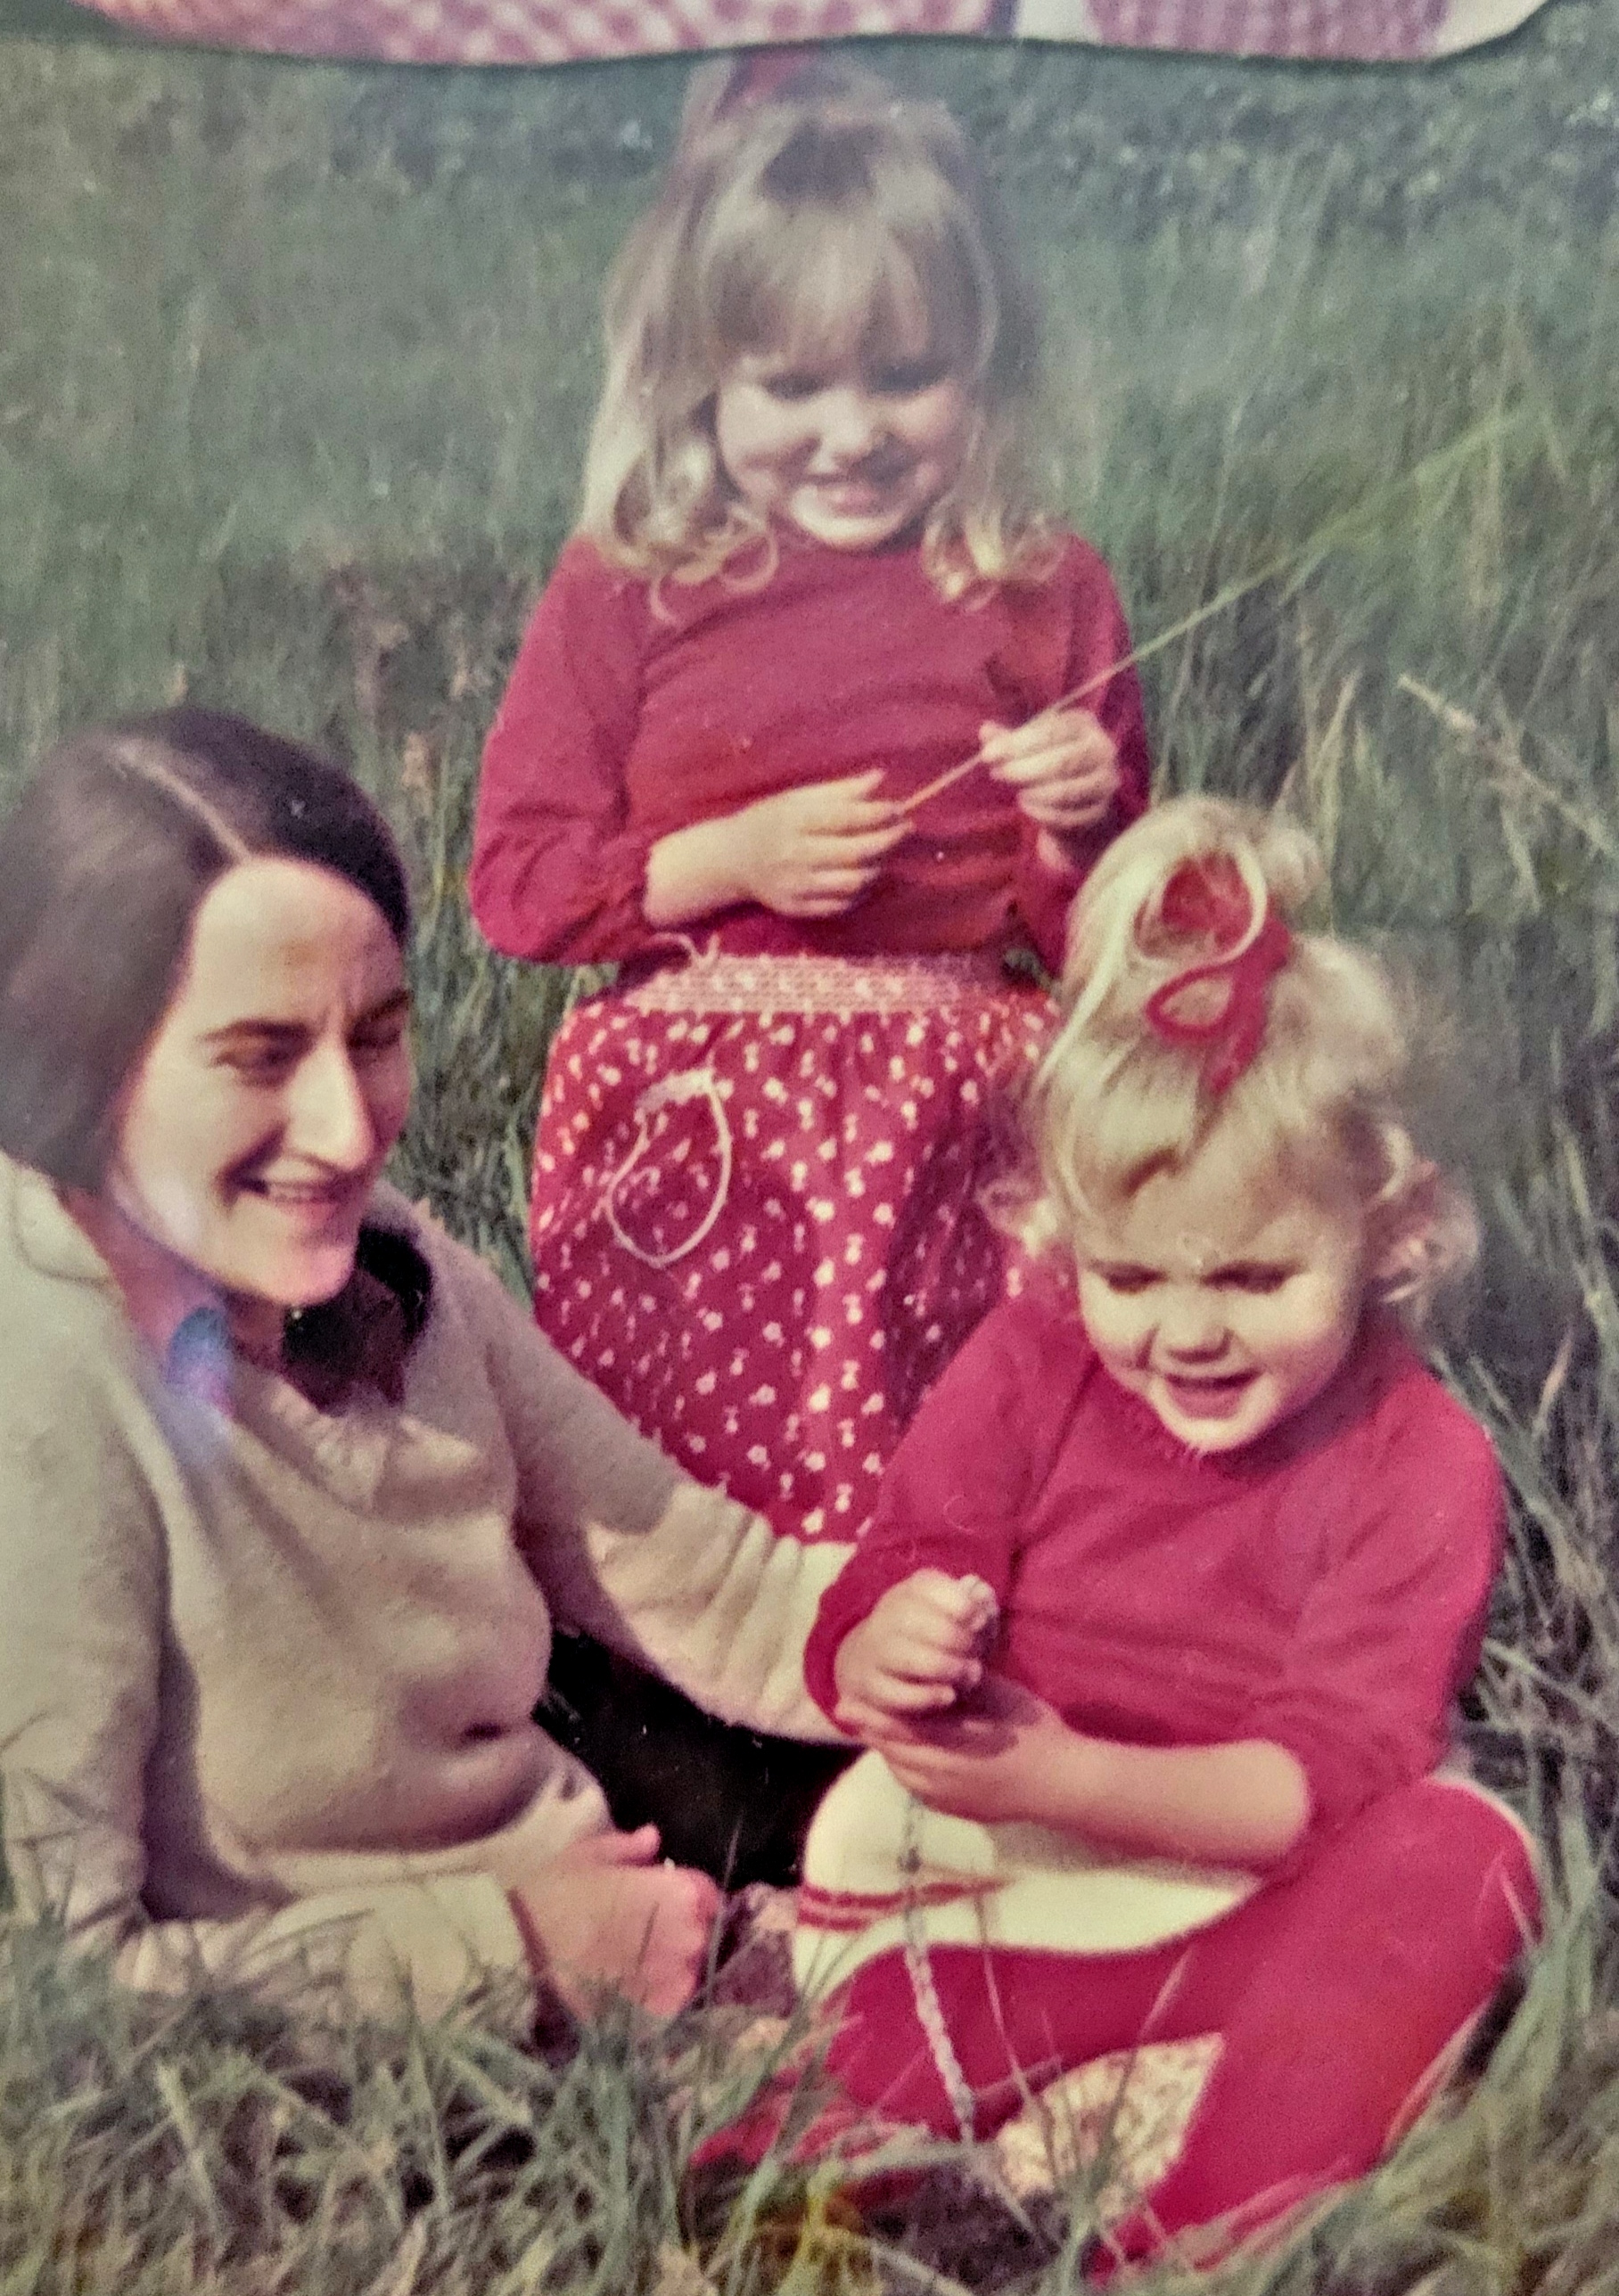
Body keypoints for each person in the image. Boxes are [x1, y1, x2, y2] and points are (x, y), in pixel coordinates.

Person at [753, 795, 1540, 2260]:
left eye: (1249, 1279)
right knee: (859, 1836)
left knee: (1469, 1850)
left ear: (1392, 1232)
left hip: (1245, 1858)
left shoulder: (1421, 1456)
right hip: (1014, 1860)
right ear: (1064, 1241)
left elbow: (1329, 1778)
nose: (1185, 1334)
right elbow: (900, 1560)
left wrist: (1069, 1773)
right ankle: (830, 2138)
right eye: (1131, 1278)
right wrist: (886, 1648)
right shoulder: (1033, 1360)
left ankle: (1208, 2215)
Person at [0, 708, 854, 2031]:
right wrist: (517, 1953)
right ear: (77, 1066)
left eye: (375, 1036)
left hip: (622, 1892)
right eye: (261, 1057)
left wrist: (1047, 1657)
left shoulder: (393, 1260)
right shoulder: (43, 1393)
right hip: (391, 2052)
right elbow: (52, 1986)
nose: (348, 1133)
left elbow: (696, 1573)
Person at [468, 55, 1152, 1562]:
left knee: (958, 1462)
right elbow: (518, 883)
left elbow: (1100, 947)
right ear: (701, 381)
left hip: (956, 1115)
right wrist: (723, 861)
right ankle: (687, 1665)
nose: (852, 434)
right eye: (791, 388)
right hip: (711, 1126)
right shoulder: (636, 583)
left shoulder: (1039, 582)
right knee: (685, 1481)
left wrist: (1080, 830)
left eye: (905, 377)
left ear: (987, 366)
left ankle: (930, 1657)